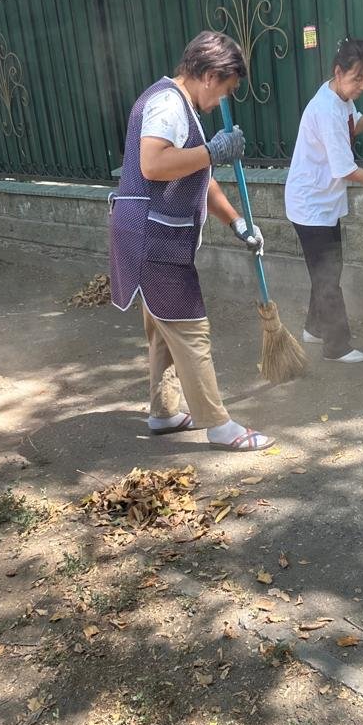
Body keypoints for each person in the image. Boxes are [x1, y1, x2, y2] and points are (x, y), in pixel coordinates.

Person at [109, 31, 274, 452]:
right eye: (225, 89)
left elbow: (198, 177)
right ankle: (218, 425)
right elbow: (154, 164)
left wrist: (237, 222)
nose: (222, 100)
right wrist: (212, 153)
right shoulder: (169, 104)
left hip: (149, 234)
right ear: (209, 76)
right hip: (154, 238)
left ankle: (164, 412)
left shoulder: (175, 102)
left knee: (163, 329)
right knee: (190, 329)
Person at [284, 38, 363, 363]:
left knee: (326, 271)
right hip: (310, 204)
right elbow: (345, 169)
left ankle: (314, 329)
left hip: (322, 201)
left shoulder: (339, 98)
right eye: (358, 78)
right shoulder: (326, 109)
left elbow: (351, 126)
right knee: (327, 276)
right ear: (338, 72)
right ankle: (336, 347)